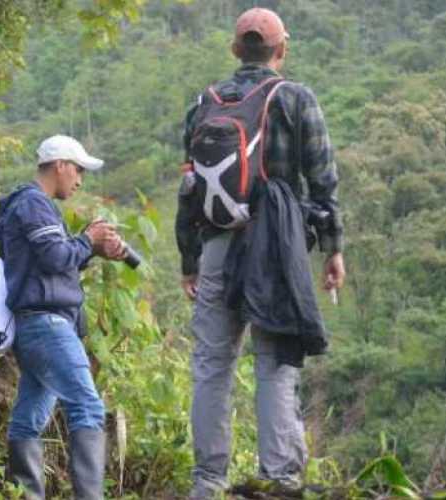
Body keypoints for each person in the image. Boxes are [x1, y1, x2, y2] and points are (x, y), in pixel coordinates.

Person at [175, 8, 346, 497]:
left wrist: (190, 258)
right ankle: (279, 478)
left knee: (212, 364)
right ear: (282, 49)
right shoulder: (294, 98)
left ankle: (207, 481)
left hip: (215, 246)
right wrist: (333, 249)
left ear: (235, 51)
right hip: (275, 249)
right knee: (273, 359)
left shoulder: (203, 104)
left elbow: (188, 186)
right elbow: (323, 179)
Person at [0, 135, 125, 500]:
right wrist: (88, 240)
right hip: (47, 324)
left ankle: (28, 494)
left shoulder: (27, 205)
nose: (80, 179)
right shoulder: (34, 204)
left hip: (35, 324)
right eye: (79, 170)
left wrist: (91, 248)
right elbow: (54, 258)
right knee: (87, 406)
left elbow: (52, 263)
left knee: (31, 415)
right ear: (61, 166)